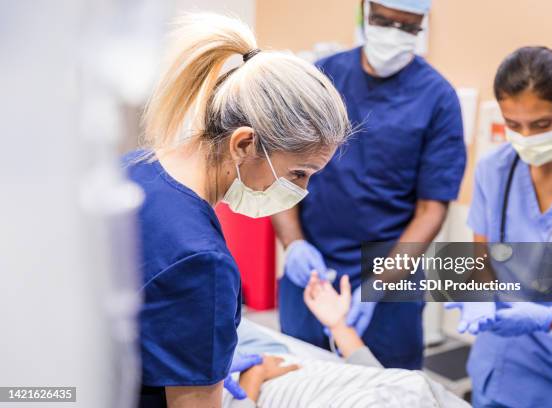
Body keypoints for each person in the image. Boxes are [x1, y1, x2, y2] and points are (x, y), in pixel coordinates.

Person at [125, 13, 350, 408]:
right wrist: (255, 381)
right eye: (299, 173)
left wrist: (199, 361)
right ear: (244, 144)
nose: (302, 191)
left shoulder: (134, 168)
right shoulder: (201, 262)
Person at [272, 0, 466, 370]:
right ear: (364, 11)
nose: (393, 33)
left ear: (423, 24)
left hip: (390, 277)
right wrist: (293, 244)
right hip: (313, 270)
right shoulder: (322, 79)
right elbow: (282, 172)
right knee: (302, 379)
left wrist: (380, 284)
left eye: (407, 27)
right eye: (382, 20)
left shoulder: (438, 98)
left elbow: (432, 208)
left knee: (386, 386)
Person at [447, 46, 552, 407]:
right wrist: (475, 296)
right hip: (499, 369)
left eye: (542, 125)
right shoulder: (494, 170)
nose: (527, 137)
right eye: (513, 125)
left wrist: (546, 318)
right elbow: (483, 265)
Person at [220, 274, 469, 408]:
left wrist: (255, 376)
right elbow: (382, 379)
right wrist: (339, 325)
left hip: (246, 386)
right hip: (282, 360)